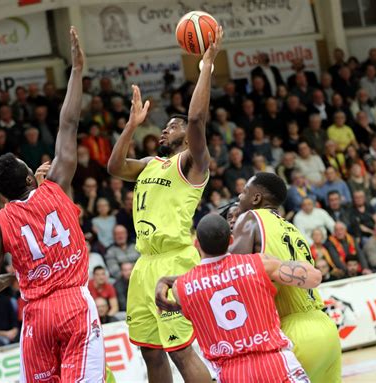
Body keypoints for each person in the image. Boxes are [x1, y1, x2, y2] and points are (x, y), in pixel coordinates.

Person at [0, 28, 105, 382]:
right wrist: (76, 70)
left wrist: (14, 277)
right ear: (31, 178)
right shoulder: (56, 186)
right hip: (75, 304)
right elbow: (68, 122)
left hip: (36, 314)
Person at [107, 27, 223, 383]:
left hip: (174, 260)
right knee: (151, 353)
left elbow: (198, 120)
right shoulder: (148, 164)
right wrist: (130, 125)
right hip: (144, 265)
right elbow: (114, 167)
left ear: (187, 137)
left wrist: (205, 68)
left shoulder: (192, 162)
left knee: (180, 351)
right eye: (165, 126)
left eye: (173, 126)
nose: (165, 130)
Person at [155, 214, 316, 383]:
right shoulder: (258, 263)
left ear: (196, 244)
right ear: (231, 240)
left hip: (232, 374)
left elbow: (207, 282)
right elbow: (314, 278)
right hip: (275, 363)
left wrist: (168, 280)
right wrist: (275, 261)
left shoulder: (181, 287)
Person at [219, 173, 341, 382]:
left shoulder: (249, 217)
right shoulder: (293, 228)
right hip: (325, 327)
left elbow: (229, 271)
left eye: (244, 192)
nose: (239, 197)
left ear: (256, 198)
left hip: (293, 331)